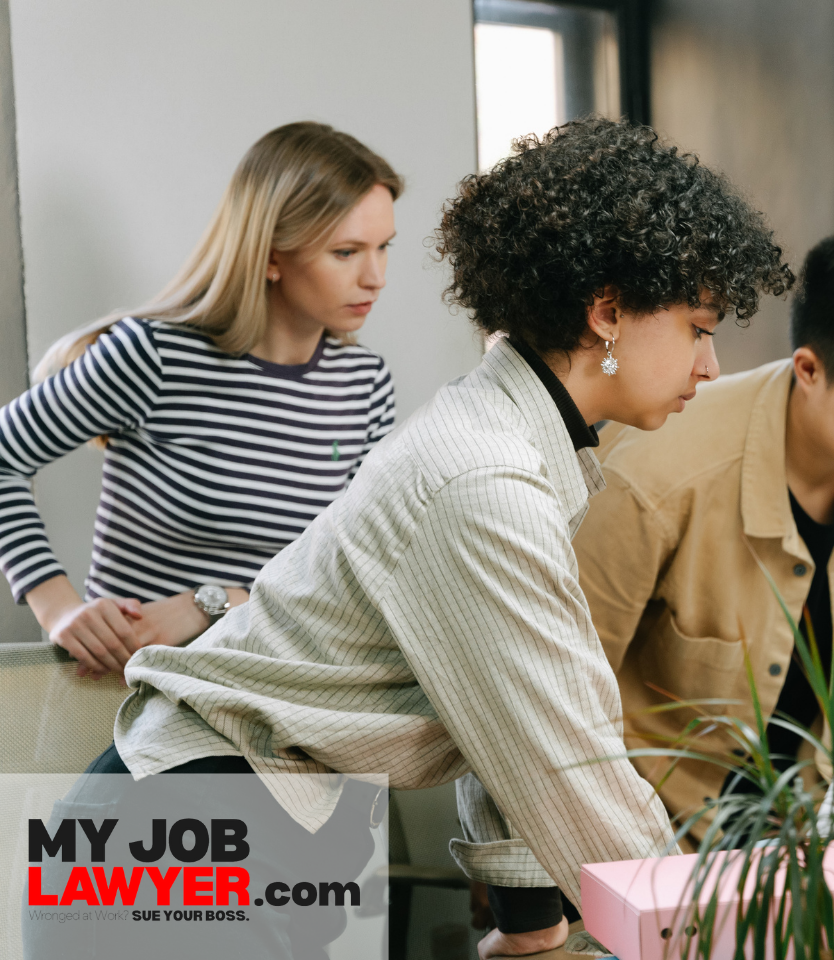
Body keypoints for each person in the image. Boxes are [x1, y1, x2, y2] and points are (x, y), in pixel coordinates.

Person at [109, 117, 793, 959]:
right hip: (187, 844)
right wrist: (708, 941)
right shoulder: (484, 480)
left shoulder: (511, 442)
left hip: (247, 830)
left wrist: (530, 933)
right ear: (608, 312)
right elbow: (566, 759)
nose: (711, 366)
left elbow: (499, 718)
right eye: (699, 326)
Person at [574, 229, 834, 823]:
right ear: (809, 370)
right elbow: (564, 697)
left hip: (811, 828)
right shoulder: (656, 469)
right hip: (659, 837)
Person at [0, 121, 400, 677]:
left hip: (274, 704)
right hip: (125, 701)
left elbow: (350, 570)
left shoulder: (365, 383)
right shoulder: (154, 356)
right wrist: (58, 608)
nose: (375, 276)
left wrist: (211, 602)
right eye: (346, 251)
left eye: (384, 247)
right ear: (269, 256)